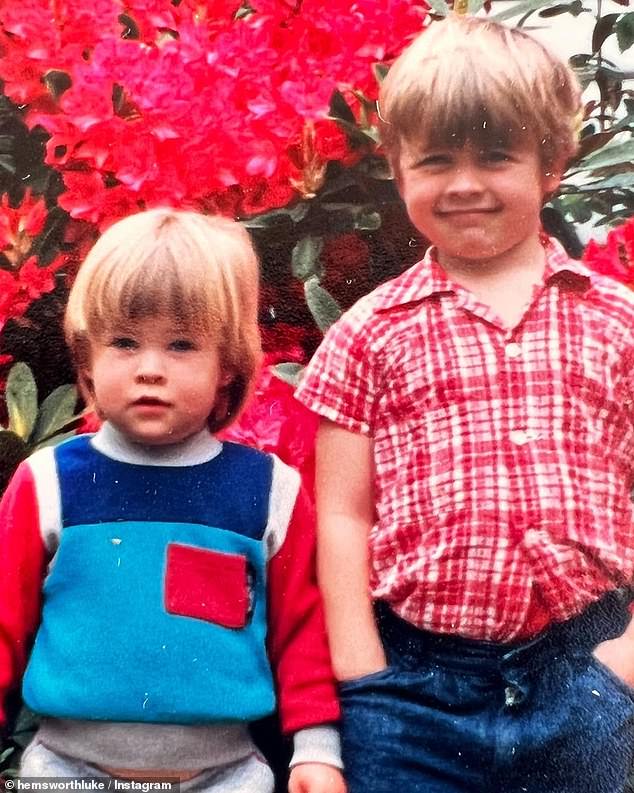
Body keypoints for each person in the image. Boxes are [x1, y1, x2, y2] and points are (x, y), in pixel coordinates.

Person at [295, 14, 634, 793]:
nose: (465, 184)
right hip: (414, 687)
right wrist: (362, 669)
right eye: (437, 159)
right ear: (398, 169)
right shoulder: (368, 333)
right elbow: (342, 512)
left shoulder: (617, 322)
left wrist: (626, 658)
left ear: (552, 164)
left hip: (586, 667)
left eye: (496, 156)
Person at [0, 209, 346, 793]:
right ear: (87, 359)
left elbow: (303, 631)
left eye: (181, 344)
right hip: (65, 771)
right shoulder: (48, 483)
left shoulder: (269, 491)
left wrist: (317, 750)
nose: (150, 370)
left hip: (225, 775)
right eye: (124, 342)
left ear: (228, 366)